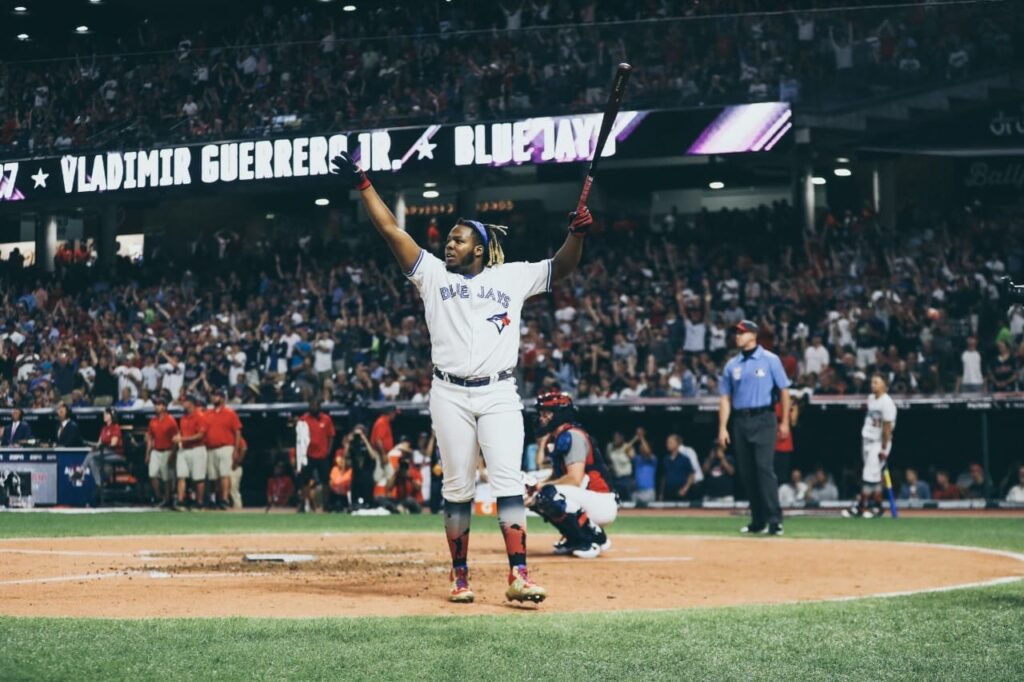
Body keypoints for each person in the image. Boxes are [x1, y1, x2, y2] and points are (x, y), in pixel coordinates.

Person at [331, 150, 592, 604]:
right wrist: (363, 184)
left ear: (480, 246)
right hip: (449, 392)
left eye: (457, 239)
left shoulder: (512, 276)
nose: (448, 244)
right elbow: (392, 230)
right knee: (457, 488)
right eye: (448, 239)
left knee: (508, 482)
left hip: (499, 392)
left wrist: (577, 234)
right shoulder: (432, 274)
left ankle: (519, 576)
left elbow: (563, 266)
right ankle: (460, 578)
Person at [718, 320, 791, 535]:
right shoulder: (732, 365)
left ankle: (775, 519)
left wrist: (785, 421)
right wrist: (723, 427)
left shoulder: (770, 360)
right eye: (737, 333)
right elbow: (725, 398)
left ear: (753, 335)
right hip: (740, 420)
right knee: (747, 472)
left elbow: (784, 391)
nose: (737, 337)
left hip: (764, 418)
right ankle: (758, 520)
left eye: (741, 333)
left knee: (764, 468)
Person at [527, 392, 616, 559]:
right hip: (588, 497)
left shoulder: (572, 435)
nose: (542, 417)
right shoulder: (559, 437)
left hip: (601, 501)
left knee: (547, 495)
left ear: (559, 414)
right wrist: (535, 486)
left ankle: (588, 540)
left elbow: (575, 479)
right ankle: (574, 537)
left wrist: (542, 488)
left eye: (546, 413)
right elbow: (557, 476)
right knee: (535, 495)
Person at [844, 374, 897, 519]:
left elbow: (887, 427)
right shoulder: (871, 398)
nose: (872, 384)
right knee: (873, 476)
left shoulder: (887, 403)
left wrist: (884, 448)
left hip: (879, 443)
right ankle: (877, 507)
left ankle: (860, 507)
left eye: (876, 382)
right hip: (867, 440)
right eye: (872, 381)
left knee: (868, 475)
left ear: (884, 385)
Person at [204, 388, 243, 509]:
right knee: (213, 476)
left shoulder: (230, 413)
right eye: (213, 396)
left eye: (216, 396)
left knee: (224, 474)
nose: (214, 398)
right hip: (210, 448)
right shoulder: (208, 413)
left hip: (226, 447)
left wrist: (236, 450)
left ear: (222, 398)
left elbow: (237, 432)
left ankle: (224, 499)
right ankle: (214, 499)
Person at [295, 398, 336, 513]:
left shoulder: (326, 419)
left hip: (322, 455)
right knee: (304, 481)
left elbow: (331, 435)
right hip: (308, 455)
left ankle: (326, 504)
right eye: (311, 405)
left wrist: (328, 451)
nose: (313, 407)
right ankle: (304, 503)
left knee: (325, 481)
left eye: (315, 405)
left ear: (319, 406)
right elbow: (299, 438)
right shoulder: (304, 419)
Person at [173, 395, 208, 510]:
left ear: (191, 403)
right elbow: (182, 433)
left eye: (184, 402)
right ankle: (180, 501)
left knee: (198, 478)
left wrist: (182, 439)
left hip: (197, 449)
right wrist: (178, 437)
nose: (182, 404)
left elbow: (201, 435)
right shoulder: (183, 417)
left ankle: (199, 502)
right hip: (184, 449)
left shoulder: (200, 415)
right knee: (181, 476)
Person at [145, 397, 178, 508]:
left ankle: (167, 499)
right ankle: (159, 497)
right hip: (156, 451)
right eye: (156, 405)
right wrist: (148, 453)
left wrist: (173, 454)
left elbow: (176, 439)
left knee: (166, 478)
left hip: (167, 451)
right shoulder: (153, 421)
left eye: (159, 405)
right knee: (152, 474)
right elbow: (150, 438)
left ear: (164, 407)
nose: (156, 407)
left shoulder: (171, 420)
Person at [661, 434, 698, 502]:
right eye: (667, 442)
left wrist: (685, 489)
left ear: (677, 444)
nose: (667, 444)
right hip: (668, 493)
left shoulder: (685, 459)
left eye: (670, 442)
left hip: (681, 492)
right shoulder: (665, 459)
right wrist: (661, 493)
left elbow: (691, 475)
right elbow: (664, 477)